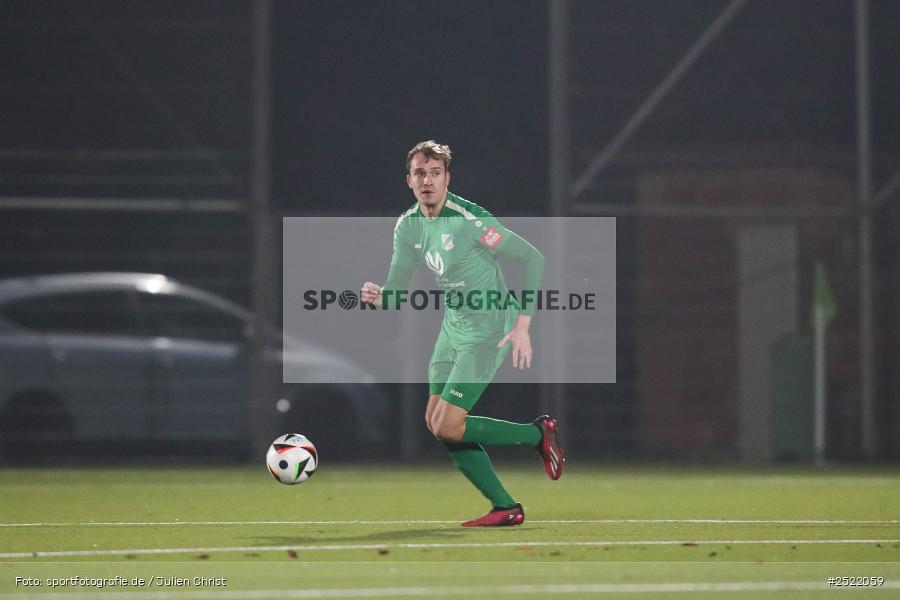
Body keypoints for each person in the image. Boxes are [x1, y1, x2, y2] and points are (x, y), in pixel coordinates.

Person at [360, 140, 564, 527]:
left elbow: (531, 257)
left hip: (490, 328)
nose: (428, 180)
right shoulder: (407, 227)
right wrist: (378, 298)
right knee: (437, 422)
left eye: (435, 173)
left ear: (447, 179)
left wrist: (523, 325)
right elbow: (396, 292)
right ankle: (506, 507)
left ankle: (537, 435)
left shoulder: (469, 221)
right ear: (409, 180)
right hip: (453, 327)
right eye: (420, 173)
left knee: (450, 424)